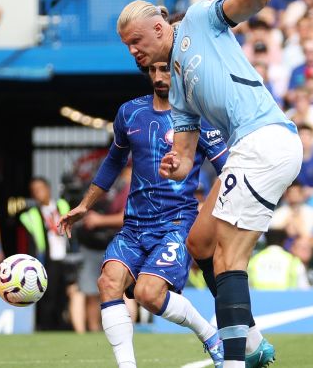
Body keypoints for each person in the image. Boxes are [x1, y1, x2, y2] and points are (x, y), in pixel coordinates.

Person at [115, 0, 303, 367]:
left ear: (159, 28)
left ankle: (237, 359)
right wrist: (174, 164)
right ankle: (250, 339)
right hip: (248, 149)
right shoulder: (178, 86)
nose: (133, 52)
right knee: (200, 242)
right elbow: (184, 158)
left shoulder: (200, 18)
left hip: (266, 139)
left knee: (227, 256)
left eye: (136, 42)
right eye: (128, 47)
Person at [59, 60, 227, 367]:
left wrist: (215, 216)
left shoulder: (198, 117)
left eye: (165, 69)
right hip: (134, 225)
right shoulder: (130, 112)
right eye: (153, 70)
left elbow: (227, 169)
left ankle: (209, 335)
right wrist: (85, 205)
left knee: (148, 294)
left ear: (179, 70)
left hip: (176, 223)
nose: (158, 76)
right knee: (108, 282)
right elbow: (114, 161)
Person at [16, 176, 74, 331]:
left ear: (48, 189)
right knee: (48, 295)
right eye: (34, 191)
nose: (38, 193)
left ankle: (65, 325)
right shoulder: (30, 215)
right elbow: (29, 243)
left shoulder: (63, 205)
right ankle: (47, 326)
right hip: (47, 259)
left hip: (67, 257)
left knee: (68, 293)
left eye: (40, 189)